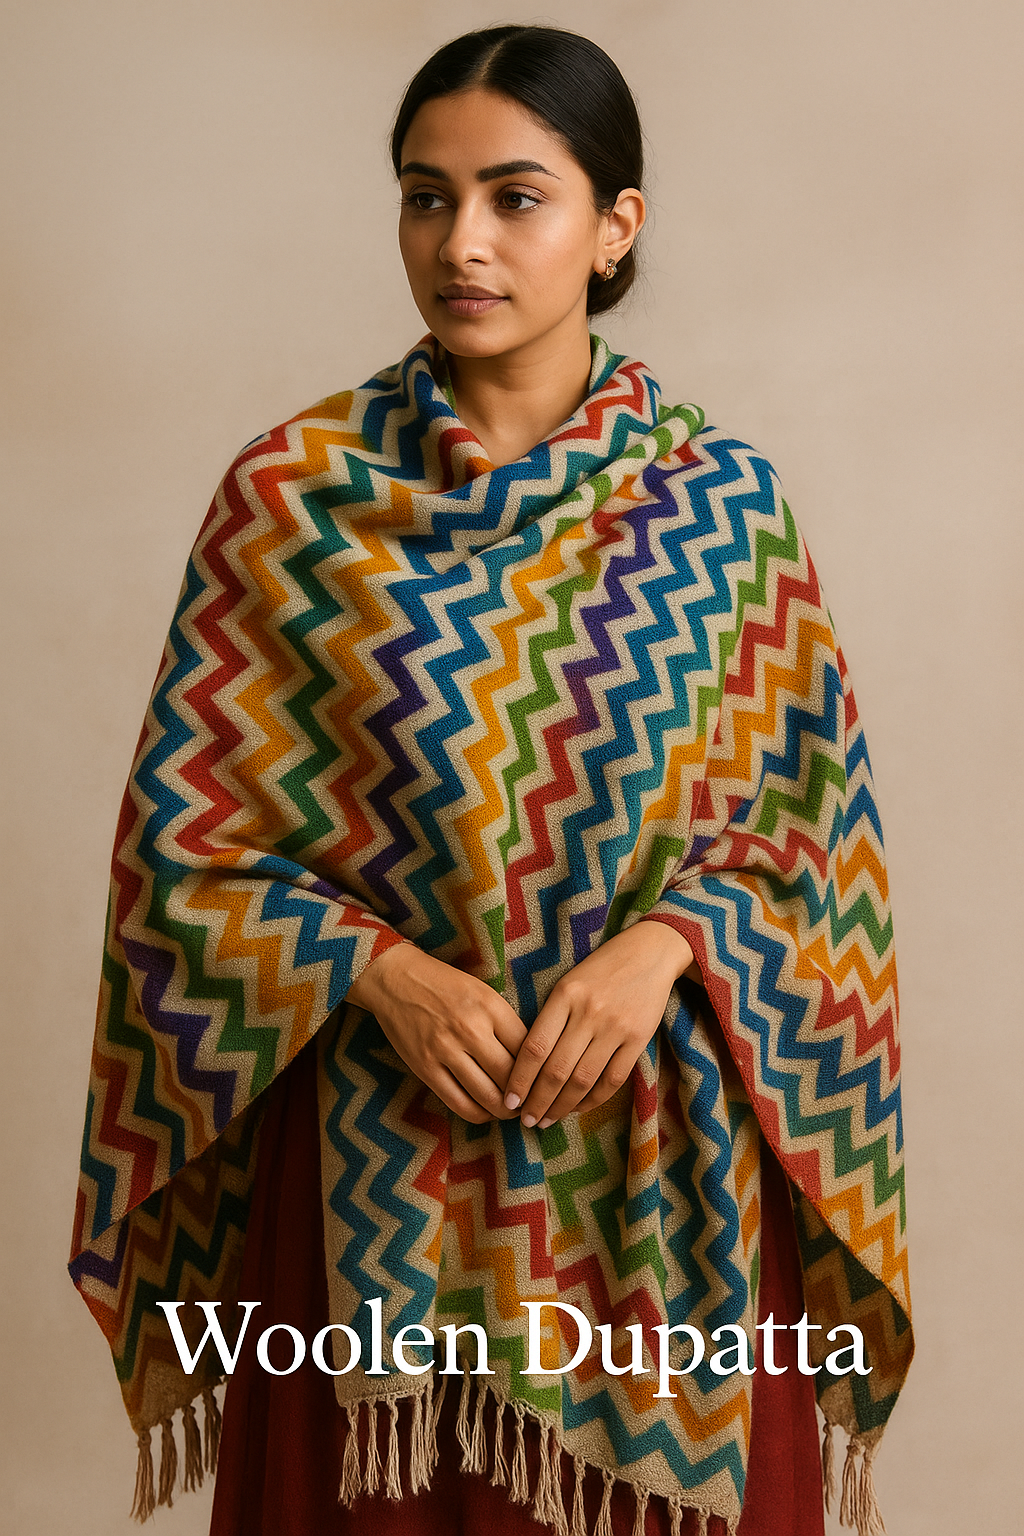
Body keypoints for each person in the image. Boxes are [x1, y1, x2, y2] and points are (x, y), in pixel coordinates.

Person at [69, 24, 912, 1536]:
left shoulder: (722, 512)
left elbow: (815, 851)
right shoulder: (290, 500)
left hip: (667, 1203)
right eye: (423, 195)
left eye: (517, 197)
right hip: (372, 1196)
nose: (461, 242)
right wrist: (374, 970)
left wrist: (665, 951)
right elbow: (184, 857)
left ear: (615, 228)